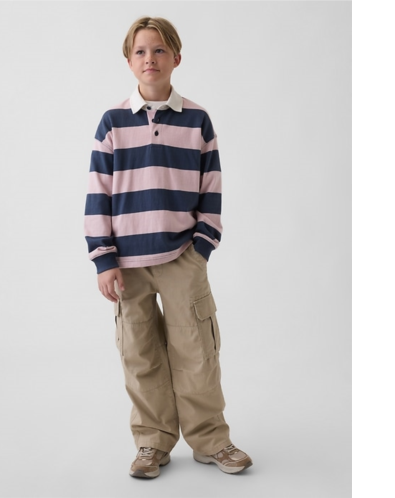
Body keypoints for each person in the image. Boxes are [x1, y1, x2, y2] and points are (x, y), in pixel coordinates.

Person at [84, 16, 253, 479]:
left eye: (159, 50)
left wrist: (201, 247)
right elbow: (98, 191)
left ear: (176, 57)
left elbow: (211, 187)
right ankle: (152, 442)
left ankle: (211, 440)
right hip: (127, 264)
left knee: (197, 352)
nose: (150, 59)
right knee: (140, 355)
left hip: (183, 258)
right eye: (140, 51)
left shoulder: (197, 120)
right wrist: (103, 258)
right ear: (128, 61)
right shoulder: (113, 122)